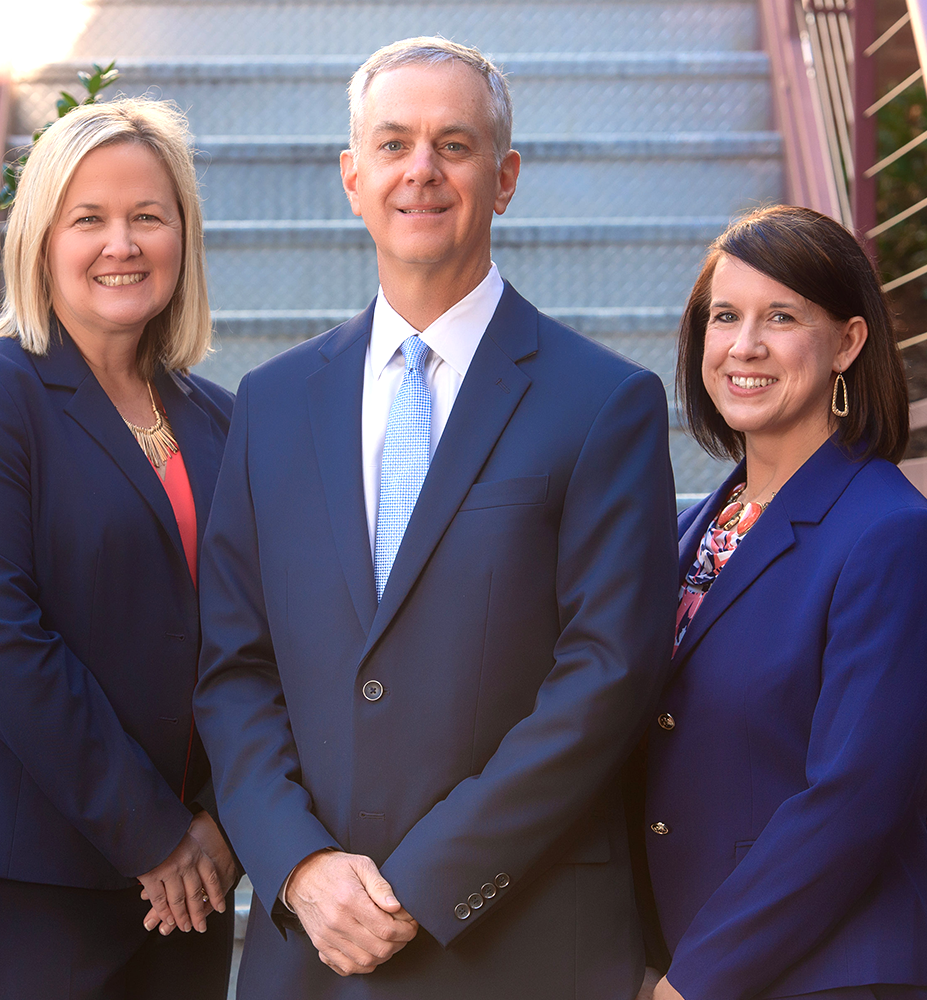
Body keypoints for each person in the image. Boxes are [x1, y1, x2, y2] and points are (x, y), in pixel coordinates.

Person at [194, 36, 678, 1000]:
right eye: (394, 143)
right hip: (312, 952)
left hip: (519, 946)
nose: (421, 170)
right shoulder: (272, 403)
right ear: (352, 177)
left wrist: (422, 885)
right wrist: (298, 866)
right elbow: (234, 671)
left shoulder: (604, 402)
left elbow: (608, 675)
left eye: (454, 145)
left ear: (504, 179)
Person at [0, 98, 238, 1000]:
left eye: (148, 216)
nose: (122, 244)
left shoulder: (219, 420)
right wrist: (153, 835)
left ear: (183, 234)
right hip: (23, 877)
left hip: (193, 887)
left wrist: (221, 825)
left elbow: (261, 639)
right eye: (89, 219)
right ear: (40, 239)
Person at [645, 205, 927, 1000]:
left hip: (825, 976)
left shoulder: (889, 535)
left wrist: (693, 982)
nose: (745, 346)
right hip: (684, 949)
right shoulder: (688, 533)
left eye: (782, 318)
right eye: (725, 316)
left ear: (847, 341)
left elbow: (852, 801)